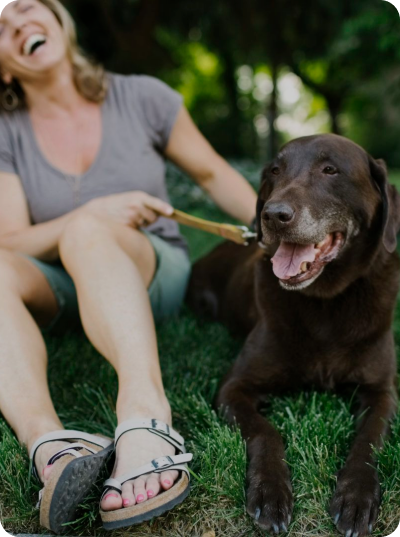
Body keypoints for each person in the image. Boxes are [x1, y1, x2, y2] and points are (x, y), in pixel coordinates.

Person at [0, 0, 257, 531]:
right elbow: (11, 239)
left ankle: (145, 419)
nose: (17, 23)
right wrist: (89, 212)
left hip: (146, 268)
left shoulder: (143, 96)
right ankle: (51, 444)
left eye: (24, 7)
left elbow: (211, 173)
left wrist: (277, 231)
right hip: (57, 281)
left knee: (90, 232)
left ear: (57, 18)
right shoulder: (5, 131)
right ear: (2, 67)